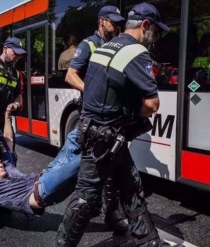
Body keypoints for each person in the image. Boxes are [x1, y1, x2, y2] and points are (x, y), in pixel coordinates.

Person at [55, 3, 171, 246]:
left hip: (100, 133)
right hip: (104, 140)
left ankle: (148, 240)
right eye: (155, 32)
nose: (156, 38)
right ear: (145, 25)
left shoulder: (104, 48)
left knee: (131, 186)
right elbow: (151, 104)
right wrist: (131, 115)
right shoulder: (137, 53)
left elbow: (95, 91)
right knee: (86, 200)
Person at [64, 5, 129, 236]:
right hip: (93, 117)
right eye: (112, 22)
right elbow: (70, 75)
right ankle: (85, 211)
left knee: (113, 169)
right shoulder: (88, 44)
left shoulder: (117, 44)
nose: (117, 26)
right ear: (102, 21)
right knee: (93, 168)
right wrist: (91, 92)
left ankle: (112, 214)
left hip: (113, 116)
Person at [0, 103, 81, 217]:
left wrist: (7, 115)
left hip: (47, 173)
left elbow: (9, 140)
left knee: (74, 136)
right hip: (41, 191)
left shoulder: (8, 169)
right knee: (82, 160)